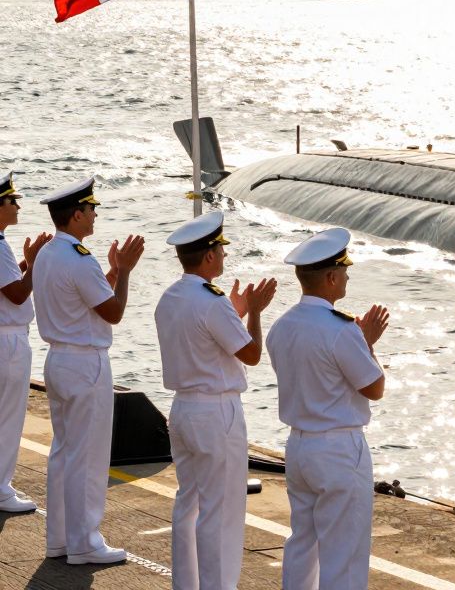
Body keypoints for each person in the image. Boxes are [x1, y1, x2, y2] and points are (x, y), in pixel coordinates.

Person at [156, 211, 277, 590]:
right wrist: (254, 312)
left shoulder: (170, 297)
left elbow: (202, 338)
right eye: (220, 250)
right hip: (216, 412)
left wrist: (235, 312)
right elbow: (252, 354)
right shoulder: (212, 301)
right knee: (221, 511)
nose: (224, 256)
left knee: (188, 503)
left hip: (183, 409)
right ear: (208, 256)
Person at [267, 228, 388, 590]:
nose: (347, 277)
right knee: (344, 553)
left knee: (303, 541)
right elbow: (375, 387)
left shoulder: (281, 326)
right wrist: (367, 343)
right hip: (337, 449)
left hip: (299, 446)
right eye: (345, 272)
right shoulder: (342, 329)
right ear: (331, 277)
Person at [33, 176, 144, 564]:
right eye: (91, 208)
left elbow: (87, 299)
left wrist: (111, 272)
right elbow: (112, 312)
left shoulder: (47, 253)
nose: (95, 214)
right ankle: (85, 543)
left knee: (64, 452)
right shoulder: (80, 258)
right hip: (85, 363)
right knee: (89, 456)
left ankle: (61, 539)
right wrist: (125, 271)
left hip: (59, 359)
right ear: (76, 214)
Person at [0, 171, 51, 513]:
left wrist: (25, 264)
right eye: (11, 200)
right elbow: (17, 293)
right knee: (8, 416)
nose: (17, 205)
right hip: (8, 341)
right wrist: (34, 264)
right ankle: (1, 489)